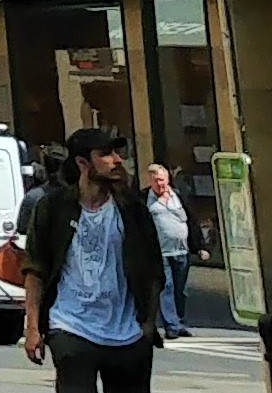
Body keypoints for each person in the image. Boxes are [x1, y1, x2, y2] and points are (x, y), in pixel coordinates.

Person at [22, 127, 167, 393]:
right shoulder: (52, 208)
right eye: (106, 154)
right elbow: (35, 270)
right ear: (82, 163)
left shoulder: (132, 210)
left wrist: (147, 325)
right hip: (70, 326)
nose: (116, 160)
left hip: (127, 333)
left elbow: (153, 270)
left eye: (117, 153)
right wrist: (32, 328)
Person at [142, 164, 193, 340]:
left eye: (162, 180)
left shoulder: (178, 196)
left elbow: (190, 221)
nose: (160, 184)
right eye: (156, 181)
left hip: (181, 251)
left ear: (168, 179)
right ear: (150, 181)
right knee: (167, 288)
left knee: (181, 289)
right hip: (160, 253)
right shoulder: (144, 199)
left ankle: (179, 322)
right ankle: (171, 326)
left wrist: (200, 247)